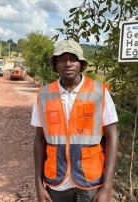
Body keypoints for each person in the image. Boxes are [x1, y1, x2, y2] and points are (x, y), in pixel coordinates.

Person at [31, 39, 119, 202]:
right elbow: (39, 139)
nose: (68, 63)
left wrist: (107, 188)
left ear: (82, 65)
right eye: (62, 59)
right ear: (55, 64)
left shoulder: (100, 93)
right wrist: (38, 185)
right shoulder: (44, 95)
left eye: (73, 58)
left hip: (91, 181)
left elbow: (112, 137)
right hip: (56, 183)